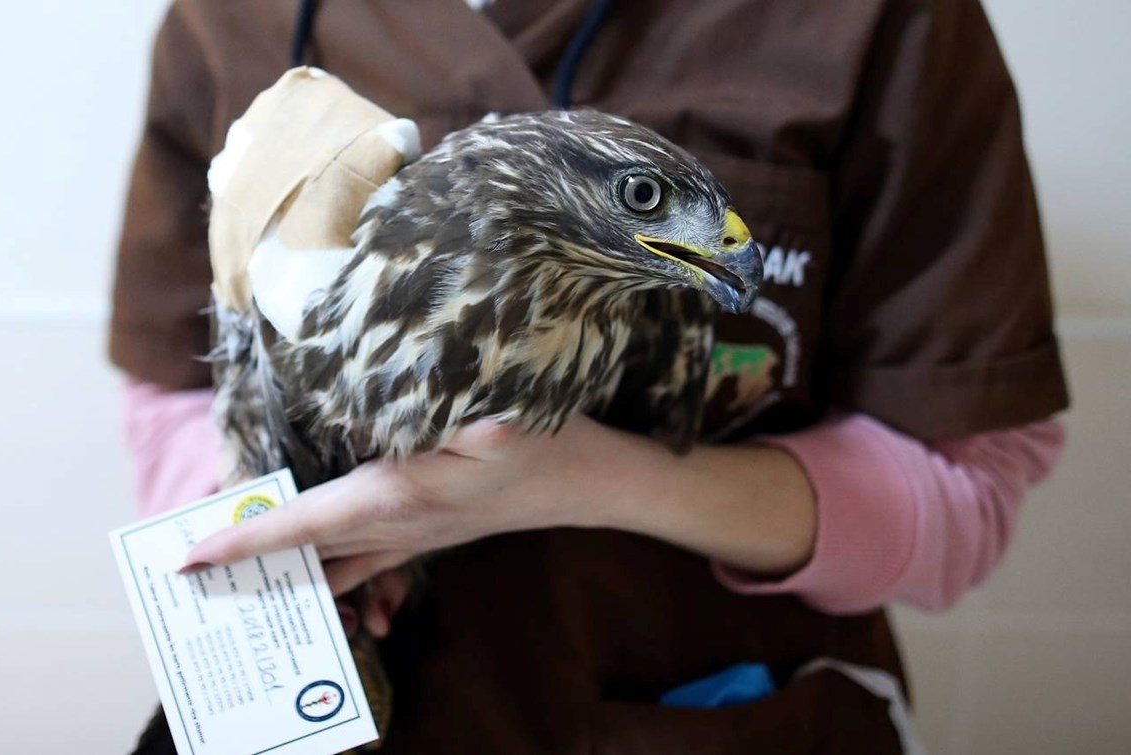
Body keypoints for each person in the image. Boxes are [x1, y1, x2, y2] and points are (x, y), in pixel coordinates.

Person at [111, 0, 1068, 751]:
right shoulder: (225, 14)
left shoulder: (883, 15)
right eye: (650, 197)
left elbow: (964, 499)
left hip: (716, 710)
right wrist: (307, 543)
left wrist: (590, 476)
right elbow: (174, 403)